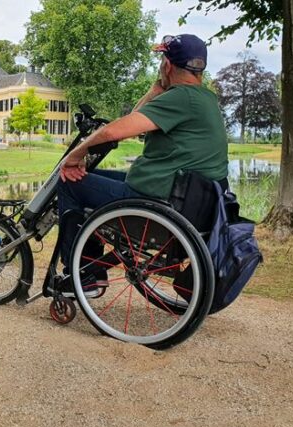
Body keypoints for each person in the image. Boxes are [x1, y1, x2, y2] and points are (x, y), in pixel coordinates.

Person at [55, 34, 229, 296]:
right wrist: (154, 91)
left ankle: (82, 274)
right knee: (91, 176)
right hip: (185, 201)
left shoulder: (181, 98)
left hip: (156, 201)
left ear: (167, 65)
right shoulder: (204, 99)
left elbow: (115, 131)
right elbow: (137, 121)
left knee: (70, 182)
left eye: (162, 58)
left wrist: (75, 155)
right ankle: (90, 266)